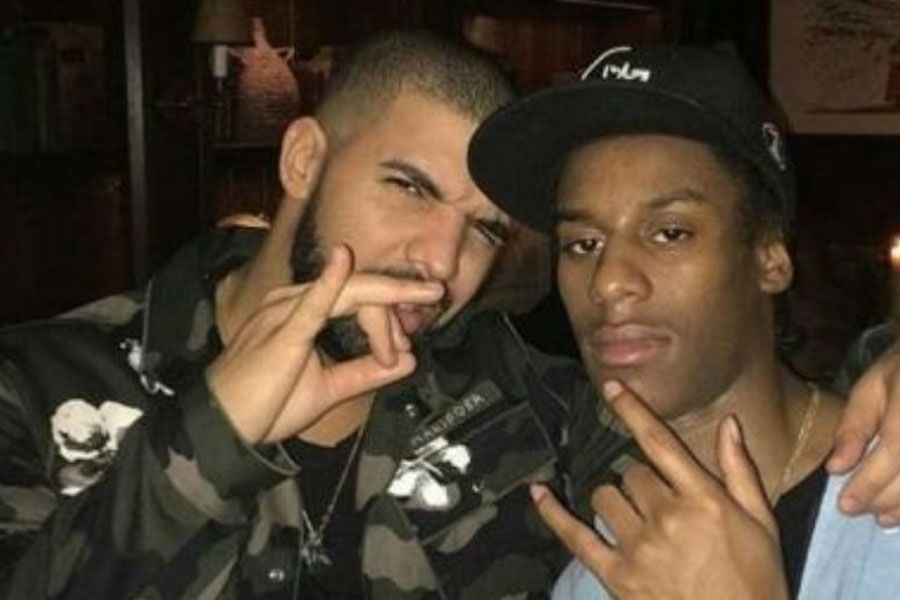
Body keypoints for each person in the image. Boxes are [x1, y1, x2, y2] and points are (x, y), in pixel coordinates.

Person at [0, 32, 898, 600]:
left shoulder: (527, 405)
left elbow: (741, 401)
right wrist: (212, 434)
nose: (439, 263)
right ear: (304, 159)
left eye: (484, 229)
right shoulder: (32, 390)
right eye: (410, 187)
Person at [467, 44, 900, 598]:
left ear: (770, 257)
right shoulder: (608, 568)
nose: (608, 281)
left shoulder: (886, 497)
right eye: (583, 243)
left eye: (670, 233)